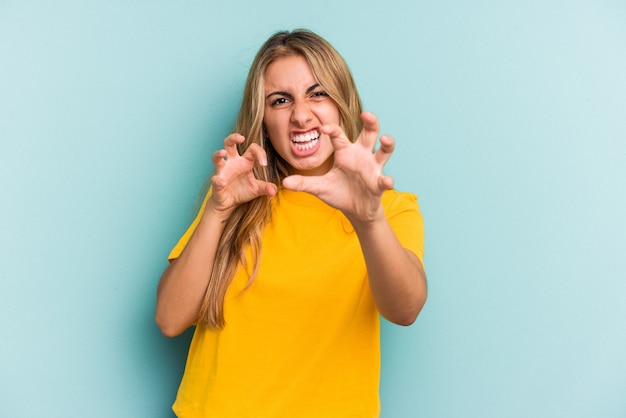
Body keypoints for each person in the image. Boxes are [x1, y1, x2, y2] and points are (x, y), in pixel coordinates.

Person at [156, 29, 427, 417]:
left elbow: (406, 310)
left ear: (342, 103)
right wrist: (217, 212)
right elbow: (169, 319)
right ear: (263, 121)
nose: (301, 115)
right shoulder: (236, 196)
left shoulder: (391, 210)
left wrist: (369, 219)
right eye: (280, 101)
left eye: (318, 93)